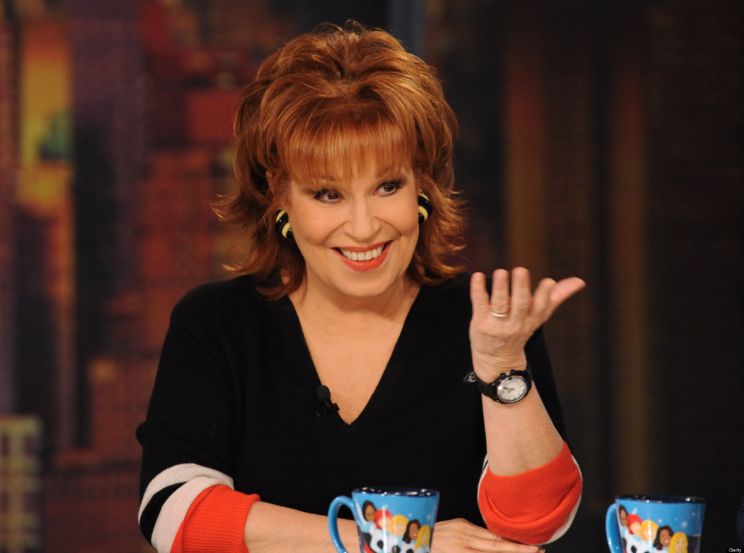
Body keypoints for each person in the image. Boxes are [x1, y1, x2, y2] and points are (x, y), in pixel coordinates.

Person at [136, 21, 584, 553]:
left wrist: (502, 368)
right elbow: (175, 513)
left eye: (388, 186)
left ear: (422, 185)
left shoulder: (487, 322)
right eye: (328, 194)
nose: (365, 227)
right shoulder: (218, 324)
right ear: (279, 196)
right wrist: (396, 543)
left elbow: (537, 524)